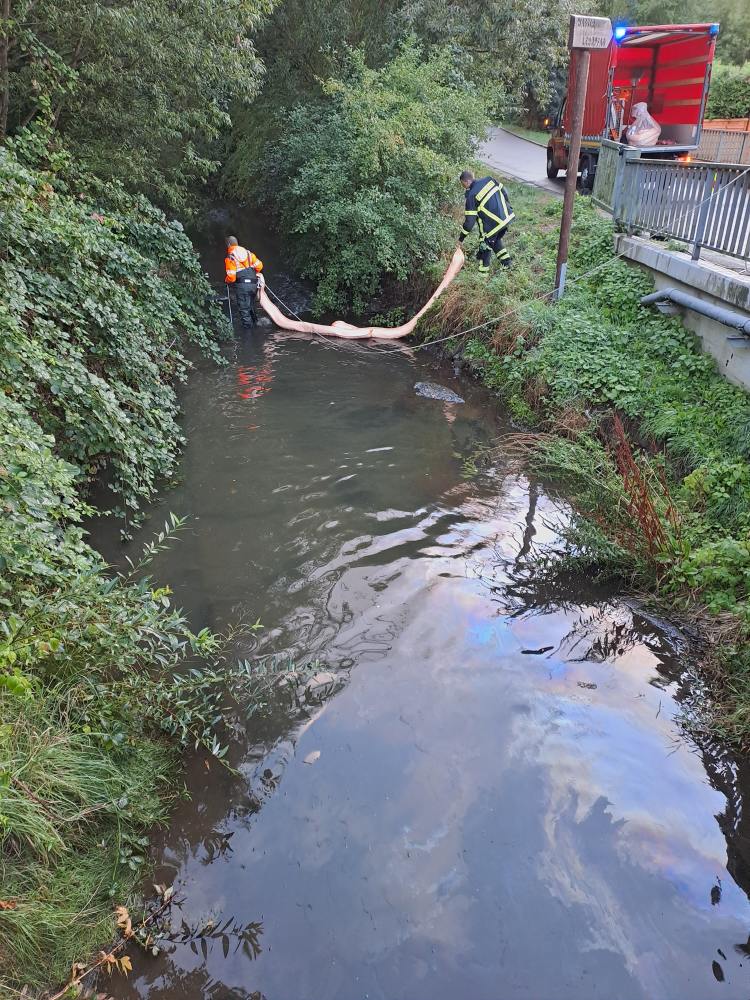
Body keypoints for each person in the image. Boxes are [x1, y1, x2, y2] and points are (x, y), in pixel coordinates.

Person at [458, 170, 515, 273]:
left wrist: (461, 238)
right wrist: (508, 206)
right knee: (495, 240)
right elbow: (504, 191)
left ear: (466, 182)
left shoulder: (471, 196)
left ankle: (482, 275)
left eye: (463, 184)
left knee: (484, 245)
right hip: (506, 218)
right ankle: (507, 263)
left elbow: (469, 222)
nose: (463, 187)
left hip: (493, 225)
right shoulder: (489, 180)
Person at [224, 236, 265, 328]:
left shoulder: (230, 257)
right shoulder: (249, 253)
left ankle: (248, 336)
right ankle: (257, 328)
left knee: (244, 310)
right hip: (253, 284)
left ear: (229, 245)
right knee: (251, 306)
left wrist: (226, 280)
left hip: (242, 286)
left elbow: (231, 277)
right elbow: (259, 266)